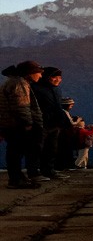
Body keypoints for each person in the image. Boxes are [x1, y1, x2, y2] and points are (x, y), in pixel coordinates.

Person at [0, 61, 45, 189]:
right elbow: (21, 106)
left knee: (14, 151)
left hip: (9, 123)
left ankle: (18, 177)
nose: (40, 76)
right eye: (38, 73)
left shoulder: (13, 82)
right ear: (29, 73)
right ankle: (16, 179)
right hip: (16, 125)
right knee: (16, 152)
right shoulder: (19, 84)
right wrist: (28, 123)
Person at [30, 67, 71, 181]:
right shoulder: (35, 88)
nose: (58, 80)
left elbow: (57, 106)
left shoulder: (56, 89)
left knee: (52, 148)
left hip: (55, 123)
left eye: (60, 77)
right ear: (47, 77)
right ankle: (34, 172)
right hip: (41, 123)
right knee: (37, 148)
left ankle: (49, 170)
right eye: (55, 77)